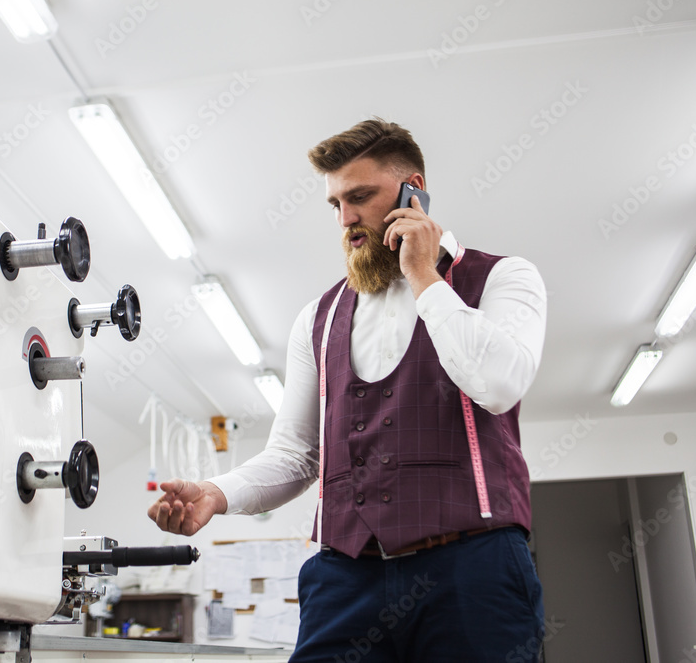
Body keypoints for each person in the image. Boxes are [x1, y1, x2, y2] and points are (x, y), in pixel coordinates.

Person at [148, 118, 547, 661]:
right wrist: (217, 494)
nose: (346, 219)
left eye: (360, 197)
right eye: (335, 204)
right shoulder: (320, 317)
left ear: (414, 189)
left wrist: (426, 277)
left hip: (471, 572)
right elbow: (296, 454)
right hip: (344, 580)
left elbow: (498, 386)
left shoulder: (503, 278)